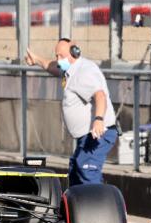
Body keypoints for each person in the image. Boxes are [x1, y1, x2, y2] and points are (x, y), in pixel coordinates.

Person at [25, 38, 118, 185]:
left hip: (99, 132)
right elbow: (52, 66)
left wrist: (99, 119)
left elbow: (100, 95)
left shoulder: (84, 73)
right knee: (75, 168)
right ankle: (76, 203)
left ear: (75, 53)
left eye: (61, 56)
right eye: (56, 56)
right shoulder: (71, 70)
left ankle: (96, 204)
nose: (58, 59)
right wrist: (36, 59)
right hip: (87, 135)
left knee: (86, 167)